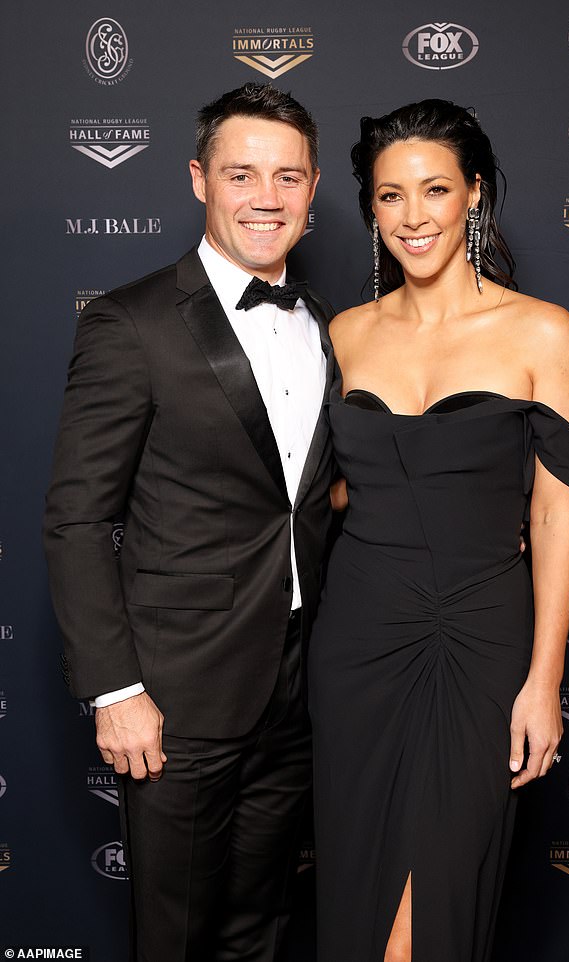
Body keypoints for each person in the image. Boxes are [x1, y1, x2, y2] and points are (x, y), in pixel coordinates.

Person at [43, 83, 336, 962]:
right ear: (199, 179)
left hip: (298, 683)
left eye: (288, 176)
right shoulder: (129, 323)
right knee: (173, 936)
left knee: (261, 927)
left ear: (314, 188)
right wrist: (116, 690)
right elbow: (77, 519)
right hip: (175, 694)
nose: (267, 196)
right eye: (242, 173)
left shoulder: (325, 325)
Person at [307, 99, 569, 962]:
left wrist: (545, 682)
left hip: (481, 637)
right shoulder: (345, 334)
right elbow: (333, 490)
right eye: (390, 196)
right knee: (359, 898)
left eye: (434, 189)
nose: (413, 215)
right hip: (358, 639)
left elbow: (554, 511)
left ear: (474, 193)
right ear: (371, 210)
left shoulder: (541, 329)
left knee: (432, 913)